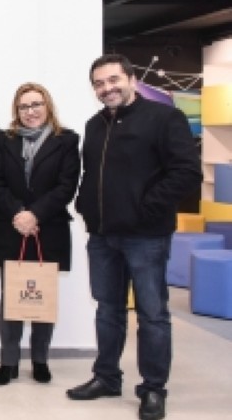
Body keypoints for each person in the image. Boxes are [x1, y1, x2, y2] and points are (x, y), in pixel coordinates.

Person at [67, 54, 201, 420]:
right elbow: (90, 174)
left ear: (130, 78)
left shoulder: (164, 118)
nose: (107, 88)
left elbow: (187, 173)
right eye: (99, 83)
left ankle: (153, 389)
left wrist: (147, 207)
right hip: (103, 236)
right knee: (108, 311)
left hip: (146, 236)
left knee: (152, 314)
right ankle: (106, 377)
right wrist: (85, 206)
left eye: (113, 80)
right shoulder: (95, 126)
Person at [0, 83, 80, 385]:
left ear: (47, 105)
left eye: (36, 104)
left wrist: (35, 214)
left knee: (42, 295)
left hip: (48, 227)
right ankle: (8, 362)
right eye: (24, 107)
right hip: (10, 228)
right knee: (10, 298)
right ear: (17, 111)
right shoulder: (3, 140)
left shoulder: (66, 140)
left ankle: (40, 359)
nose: (31, 111)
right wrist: (18, 214)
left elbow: (67, 186)